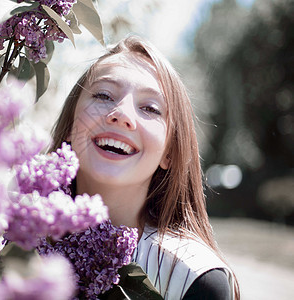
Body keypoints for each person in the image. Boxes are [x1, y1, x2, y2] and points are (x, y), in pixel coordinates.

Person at [49, 36, 240, 300]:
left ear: (169, 153)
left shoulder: (194, 280)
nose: (121, 114)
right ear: (70, 124)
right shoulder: (5, 233)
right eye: (103, 95)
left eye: (150, 108)